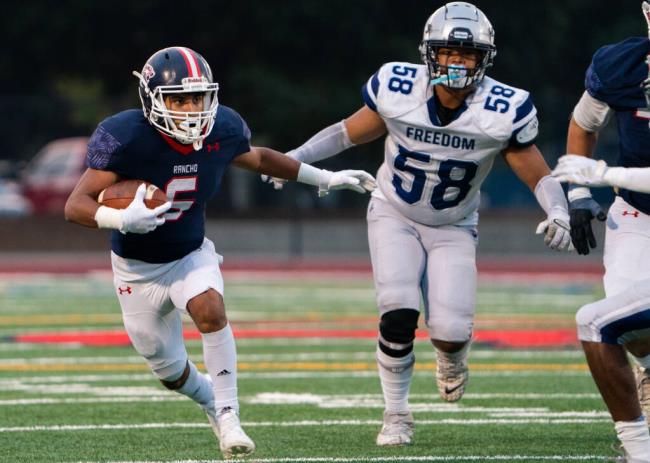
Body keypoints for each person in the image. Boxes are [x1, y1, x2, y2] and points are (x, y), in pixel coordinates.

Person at [264, 1, 572, 446]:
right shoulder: (399, 87)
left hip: (454, 224)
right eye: (449, 52)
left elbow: (537, 172)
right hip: (394, 211)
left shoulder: (502, 109)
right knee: (398, 308)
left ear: (484, 59)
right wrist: (294, 160)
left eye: (468, 54)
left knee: (448, 333)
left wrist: (557, 210)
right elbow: (346, 132)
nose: (457, 62)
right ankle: (396, 415)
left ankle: (451, 356)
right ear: (430, 53)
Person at [64, 46, 375, 459]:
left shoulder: (222, 128)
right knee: (170, 371)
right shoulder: (127, 136)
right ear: (153, 100)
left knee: (209, 308)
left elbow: (259, 157)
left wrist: (327, 178)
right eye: (177, 99)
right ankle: (211, 400)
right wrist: (119, 219)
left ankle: (229, 416)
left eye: (197, 97)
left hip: (190, 254)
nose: (190, 108)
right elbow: (75, 205)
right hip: (135, 270)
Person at [551, 3, 650, 461]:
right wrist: (576, 194)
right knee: (628, 328)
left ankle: (639, 451)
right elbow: (583, 123)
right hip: (636, 216)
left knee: (600, 322)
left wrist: (607, 173)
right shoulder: (621, 64)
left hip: (628, 187)